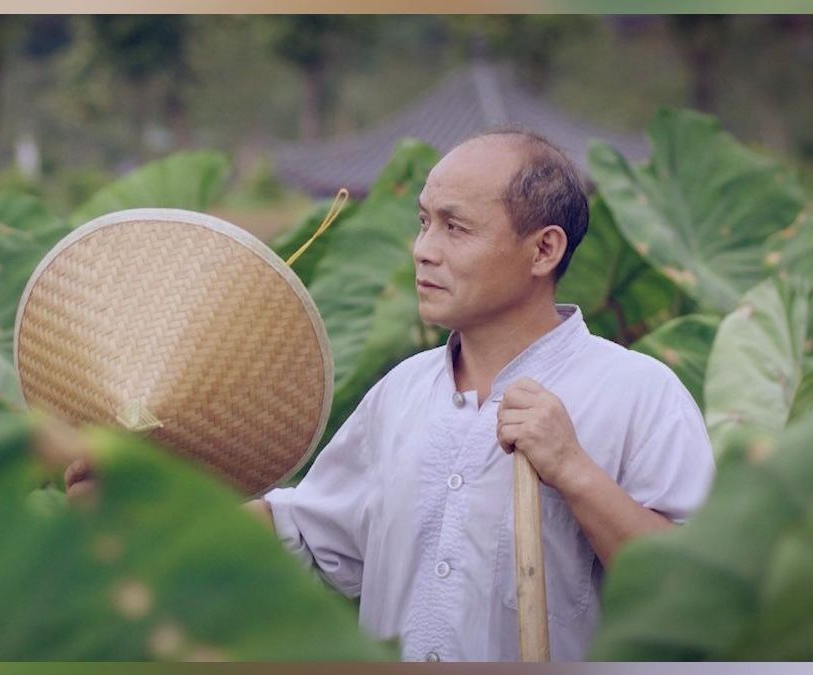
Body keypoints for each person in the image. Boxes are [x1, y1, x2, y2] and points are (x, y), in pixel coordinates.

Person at [235, 128, 716, 661]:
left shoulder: (640, 393)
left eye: (455, 228)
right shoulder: (400, 393)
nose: (423, 251)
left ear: (543, 249)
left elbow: (693, 597)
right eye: (423, 222)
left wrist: (574, 470)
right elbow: (306, 535)